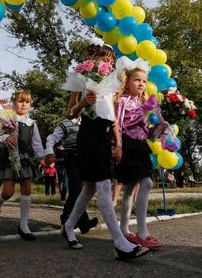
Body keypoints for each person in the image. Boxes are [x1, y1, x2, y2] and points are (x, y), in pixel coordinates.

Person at [60, 41, 149, 260]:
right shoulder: (80, 79)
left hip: (104, 136)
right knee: (102, 185)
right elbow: (69, 113)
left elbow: (111, 116)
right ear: (93, 59)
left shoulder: (111, 82)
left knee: (89, 188)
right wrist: (82, 103)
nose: (107, 62)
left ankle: (69, 226)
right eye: (103, 58)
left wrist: (118, 142)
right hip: (88, 135)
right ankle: (120, 242)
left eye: (110, 59)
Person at [114, 59, 162, 249]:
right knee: (146, 183)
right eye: (136, 80)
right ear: (127, 82)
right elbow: (116, 123)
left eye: (144, 81)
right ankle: (142, 231)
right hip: (127, 145)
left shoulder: (144, 104)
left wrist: (158, 128)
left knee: (130, 189)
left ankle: (125, 229)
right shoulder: (123, 101)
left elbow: (148, 132)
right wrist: (116, 145)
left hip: (141, 145)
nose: (141, 84)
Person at [0, 90, 45, 241]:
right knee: (8, 193)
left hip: (25, 159)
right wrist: (5, 137)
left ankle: (24, 224)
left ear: (30, 104)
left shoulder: (32, 123)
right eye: (20, 101)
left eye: (26, 102)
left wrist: (43, 158)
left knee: (26, 187)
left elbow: (37, 143)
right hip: (9, 159)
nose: (23, 104)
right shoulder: (7, 119)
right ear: (14, 103)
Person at [44, 116, 98, 234]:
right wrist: (49, 152)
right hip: (71, 158)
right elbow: (52, 138)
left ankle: (65, 217)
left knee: (76, 192)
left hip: (85, 160)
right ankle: (83, 222)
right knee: (77, 190)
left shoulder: (88, 122)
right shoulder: (66, 124)